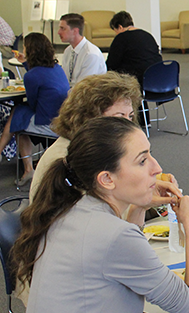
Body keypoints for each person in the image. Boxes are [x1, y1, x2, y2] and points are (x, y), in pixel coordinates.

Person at [13, 117, 189, 313]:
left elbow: (114, 251)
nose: (157, 167)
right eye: (142, 161)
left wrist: (138, 204)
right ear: (106, 179)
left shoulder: (63, 211)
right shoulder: (115, 237)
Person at [29, 71, 141, 202]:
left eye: (130, 116)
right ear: (90, 118)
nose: (129, 125)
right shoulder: (70, 160)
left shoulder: (100, 147)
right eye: (119, 117)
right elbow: (100, 214)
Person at [0, 33, 69, 186]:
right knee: (17, 115)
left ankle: (27, 168)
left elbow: (32, 103)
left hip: (48, 124)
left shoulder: (32, 76)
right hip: (61, 119)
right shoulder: (56, 68)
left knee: (16, 118)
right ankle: (26, 167)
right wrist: (26, 64)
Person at [106, 11, 162, 125]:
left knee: (114, 80)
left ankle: (123, 117)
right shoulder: (147, 35)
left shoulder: (121, 38)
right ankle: (144, 120)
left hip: (137, 81)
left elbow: (111, 64)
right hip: (159, 79)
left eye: (115, 30)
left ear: (120, 27)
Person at [57, 13, 107, 85]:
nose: (59, 32)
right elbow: (65, 80)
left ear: (75, 31)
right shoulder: (68, 51)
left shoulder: (91, 54)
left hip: (87, 94)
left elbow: (84, 87)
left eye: (63, 28)